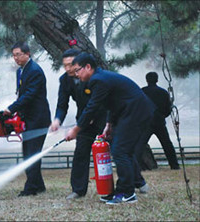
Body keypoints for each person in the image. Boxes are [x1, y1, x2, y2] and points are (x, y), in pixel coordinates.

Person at [65, 53, 153, 205]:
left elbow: (92, 107)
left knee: (120, 151)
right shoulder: (100, 78)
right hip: (128, 112)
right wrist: (109, 124)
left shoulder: (98, 80)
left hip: (135, 112)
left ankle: (127, 193)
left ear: (88, 67)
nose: (76, 74)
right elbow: (111, 103)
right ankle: (123, 190)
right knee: (123, 151)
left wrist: (76, 129)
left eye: (78, 70)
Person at [49, 49, 107, 200]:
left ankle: (136, 182)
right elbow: (62, 104)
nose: (68, 69)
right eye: (65, 65)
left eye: (71, 65)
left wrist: (93, 116)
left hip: (102, 116)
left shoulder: (92, 76)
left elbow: (98, 100)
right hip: (83, 120)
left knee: (118, 148)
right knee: (81, 152)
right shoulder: (64, 80)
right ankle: (78, 190)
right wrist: (57, 120)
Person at [1, 41, 51, 196]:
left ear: (28, 54)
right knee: (28, 153)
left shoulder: (35, 71)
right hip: (28, 118)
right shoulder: (20, 71)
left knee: (32, 153)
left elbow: (29, 95)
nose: (16, 58)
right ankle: (39, 185)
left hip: (38, 118)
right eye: (14, 55)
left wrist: (11, 108)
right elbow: (21, 94)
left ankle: (30, 189)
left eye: (18, 54)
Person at [141, 72, 180, 169]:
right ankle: (174, 165)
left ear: (146, 80)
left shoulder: (142, 92)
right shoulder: (163, 92)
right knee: (167, 144)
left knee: (140, 144)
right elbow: (168, 109)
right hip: (159, 121)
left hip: (146, 122)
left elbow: (138, 107)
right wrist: (162, 115)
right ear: (157, 80)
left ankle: (138, 166)